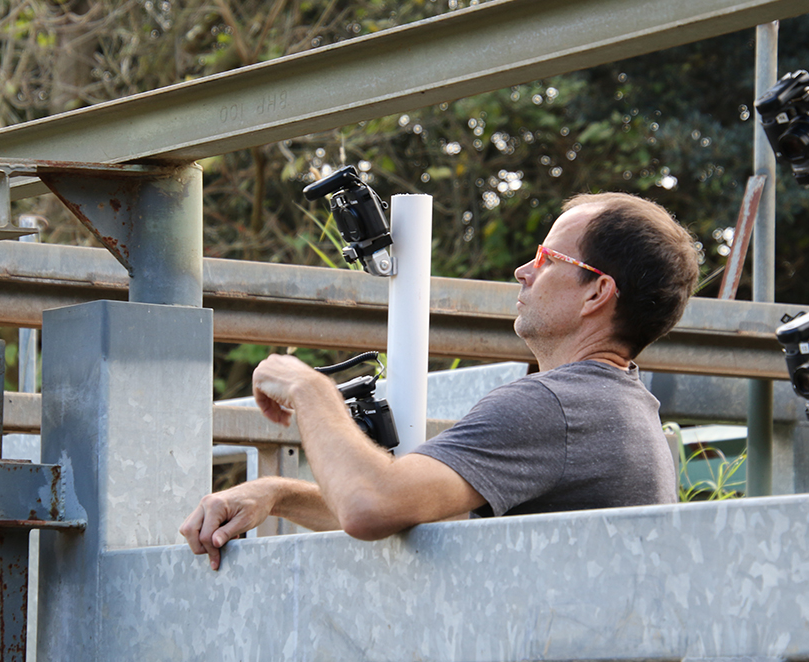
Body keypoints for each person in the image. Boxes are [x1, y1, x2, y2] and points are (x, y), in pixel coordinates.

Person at [181, 191, 700, 570]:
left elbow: (371, 504)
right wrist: (277, 494)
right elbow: (413, 506)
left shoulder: (552, 407)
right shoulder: (618, 406)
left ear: (596, 293)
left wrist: (308, 388)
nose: (523, 270)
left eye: (546, 259)